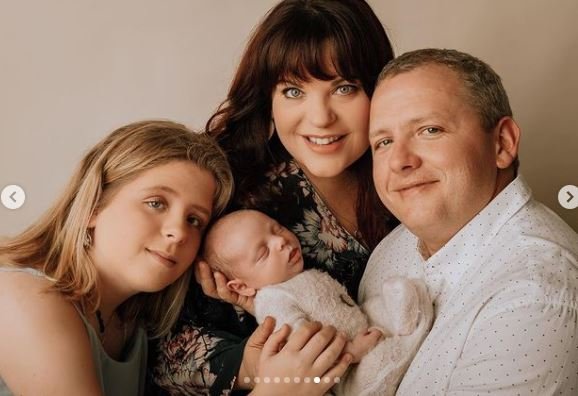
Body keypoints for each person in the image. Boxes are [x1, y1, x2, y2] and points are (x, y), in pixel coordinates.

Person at [151, 1, 398, 394]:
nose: (320, 117)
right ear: (269, 99)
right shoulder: (231, 190)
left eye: (344, 88)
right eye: (294, 90)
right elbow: (166, 358)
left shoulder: (403, 174)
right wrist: (268, 367)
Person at [361, 48, 578, 394]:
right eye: (383, 142)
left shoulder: (536, 296)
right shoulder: (392, 250)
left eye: (429, 130)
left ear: (503, 144)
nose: (399, 161)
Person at [0, 120, 234, 395]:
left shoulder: (134, 329)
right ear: (94, 206)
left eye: (194, 220)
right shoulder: (22, 297)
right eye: (156, 203)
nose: (178, 232)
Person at [202, 209, 433, 395]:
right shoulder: (274, 303)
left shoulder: (297, 278)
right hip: (344, 372)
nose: (280, 241)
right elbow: (304, 347)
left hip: (360, 326)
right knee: (376, 366)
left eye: (277, 229)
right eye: (263, 252)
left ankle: (403, 309)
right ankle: (400, 346)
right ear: (241, 287)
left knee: (375, 304)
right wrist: (351, 352)